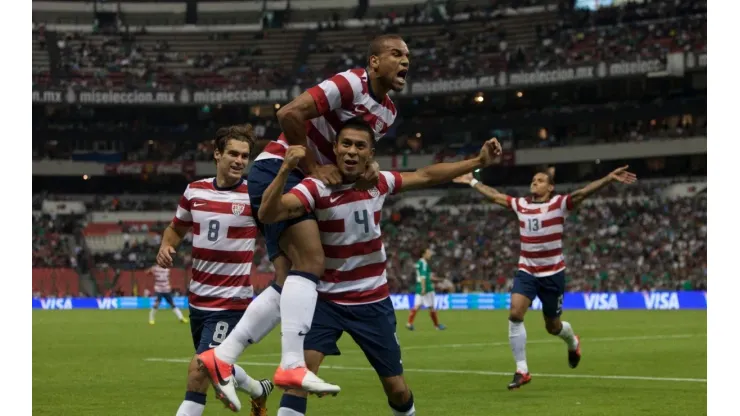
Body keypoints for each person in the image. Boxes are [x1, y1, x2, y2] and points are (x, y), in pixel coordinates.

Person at [199, 33, 412, 396]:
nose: (405, 61)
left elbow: (354, 145)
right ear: (374, 62)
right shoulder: (349, 83)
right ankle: (291, 366)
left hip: (298, 175)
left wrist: (368, 166)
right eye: (396, 54)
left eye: (408, 55)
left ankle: (223, 357)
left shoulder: (388, 112)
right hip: (279, 169)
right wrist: (313, 168)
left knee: (287, 278)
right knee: (313, 262)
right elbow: (289, 114)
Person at [256, 118, 501, 416]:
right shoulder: (316, 187)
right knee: (299, 380)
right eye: (345, 144)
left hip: (372, 302)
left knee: (397, 389)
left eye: (360, 146)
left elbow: (425, 175)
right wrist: (283, 171)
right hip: (325, 301)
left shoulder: (379, 182)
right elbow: (269, 214)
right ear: (334, 148)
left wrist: (477, 162)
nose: (351, 151)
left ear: (370, 153)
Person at [453, 165, 637, 390]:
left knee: (552, 326)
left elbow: (582, 193)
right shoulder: (521, 205)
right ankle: (522, 370)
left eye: (540, 180)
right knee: (515, 313)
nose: (534, 182)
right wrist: (473, 182)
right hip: (527, 271)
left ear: (551, 187)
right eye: (533, 180)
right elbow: (496, 197)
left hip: (553, 275)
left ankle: (572, 341)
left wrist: (608, 178)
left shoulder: (558, 204)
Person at [156, 125, 273, 416]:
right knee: (214, 363)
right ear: (217, 154)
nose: (239, 160)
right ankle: (259, 390)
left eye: (245, 156)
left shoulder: (254, 196)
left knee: (199, 371)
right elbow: (175, 229)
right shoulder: (194, 191)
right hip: (198, 300)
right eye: (233, 153)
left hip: (231, 302)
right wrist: (165, 247)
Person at [406, 247, 445, 331]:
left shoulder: (419, 263)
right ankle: (437, 326)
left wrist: (439, 279)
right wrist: (424, 288)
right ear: (423, 254)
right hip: (426, 288)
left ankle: (409, 323)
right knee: (431, 307)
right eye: (428, 252)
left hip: (419, 287)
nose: (430, 254)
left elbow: (427, 277)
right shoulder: (423, 263)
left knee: (416, 306)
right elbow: (423, 277)